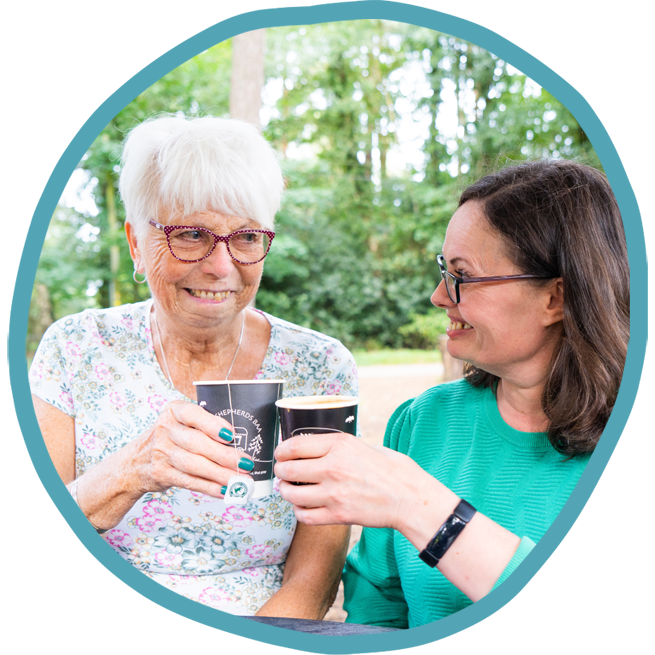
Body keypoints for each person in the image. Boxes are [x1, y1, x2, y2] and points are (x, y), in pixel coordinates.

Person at [274, 159, 629, 628]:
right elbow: (378, 603)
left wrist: (418, 505)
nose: (439, 295)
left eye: (463, 274)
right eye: (445, 268)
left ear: (555, 299)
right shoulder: (421, 421)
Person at [29, 115, 357, 617]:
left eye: (246, 237)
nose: (221, 266)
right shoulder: (76, 349)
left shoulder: (319, 366)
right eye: (191, 235)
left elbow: (315, 574)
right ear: (137, 243)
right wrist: (129, 471)